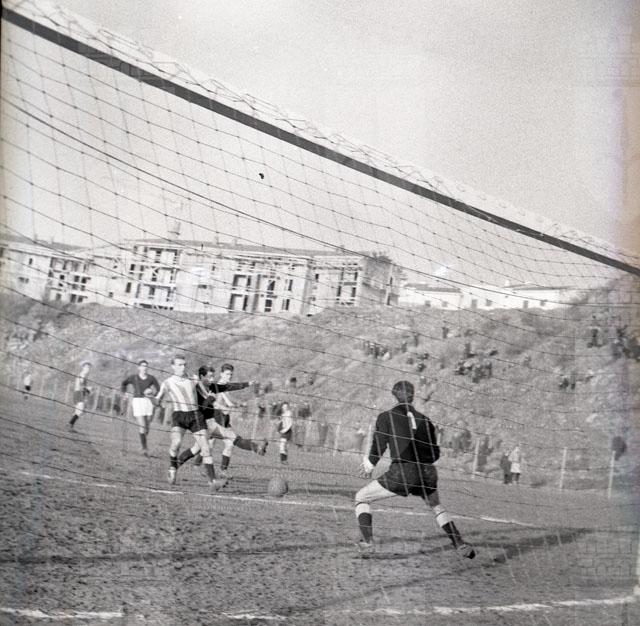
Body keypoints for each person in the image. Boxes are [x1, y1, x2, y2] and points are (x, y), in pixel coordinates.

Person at [354, 380, 475, 559]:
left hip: (403, 471)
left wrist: (369, 464)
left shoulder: (386, 417)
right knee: (436, 506)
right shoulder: (425, 420)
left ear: (394, 395)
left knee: (361, 497)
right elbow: (435, 453)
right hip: (428, 472)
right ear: (412, 396)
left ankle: (367, 542)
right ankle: (459, 543)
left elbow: (379, 445)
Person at [179, 364, 268, 478]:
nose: (229, 376)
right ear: (221, 374)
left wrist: (246, 386)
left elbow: (229, 392)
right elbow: (220, 402)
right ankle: (255, 448)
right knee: (221, 443)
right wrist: (231, 404)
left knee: (210, 445)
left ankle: (184, 465)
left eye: (231, 374)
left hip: (219, 419)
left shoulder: (218, 385)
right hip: (214, 419)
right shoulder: (215, 385)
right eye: (227, 374)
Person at [153, 355, 226, 489]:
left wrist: (215, 401)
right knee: (176, 443)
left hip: (195, 416)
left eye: (184, 364)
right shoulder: (167, 383)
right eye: (179, 365)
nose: (183, 367)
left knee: (205, 447)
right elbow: (157, 400)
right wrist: (151, 397)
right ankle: (172, 468)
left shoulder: (193, 378)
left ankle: (213, 481)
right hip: (179, 416)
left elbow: (205, 394)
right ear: (173, 366)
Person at [121, 360, 160, 456]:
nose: (144, 368)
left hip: (148, 402)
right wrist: (125, 393)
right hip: (137, 401)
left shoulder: (151, 378)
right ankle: (144, 448)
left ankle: (143, 445)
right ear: (139, 367)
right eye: (142, 366)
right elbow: (124, 383)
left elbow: (159, 389)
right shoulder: (133, 377)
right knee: (142, 425)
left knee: (147, 426)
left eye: (146, 366)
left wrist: (152, 393)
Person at [69, 361, 92, 430]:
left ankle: (70, 426)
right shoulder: (82, 375)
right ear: (83, 367)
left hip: (79, 393)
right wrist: (88, 390)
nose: (88, 369)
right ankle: (70, 424)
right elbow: (81, 386)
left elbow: (82, 386)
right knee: (80, 411)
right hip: (79, 393)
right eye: (86, 367)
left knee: (78, 411)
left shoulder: (83, 375)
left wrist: (87, 390)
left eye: (89, 368)